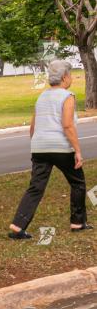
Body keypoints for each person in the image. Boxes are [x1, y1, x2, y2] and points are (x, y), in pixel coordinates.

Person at [9, 60, 92, 240]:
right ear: (64, 77)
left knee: (36, 187)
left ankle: (17, 226)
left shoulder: (42, 96)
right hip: (61, 147)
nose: (71, 78)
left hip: (39, 148)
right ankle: (78, 222)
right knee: (78, 182)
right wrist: (77, 150)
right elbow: (68, 125)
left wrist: (38, 146)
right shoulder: (67, 96)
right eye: (70, 75)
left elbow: (33, 127)